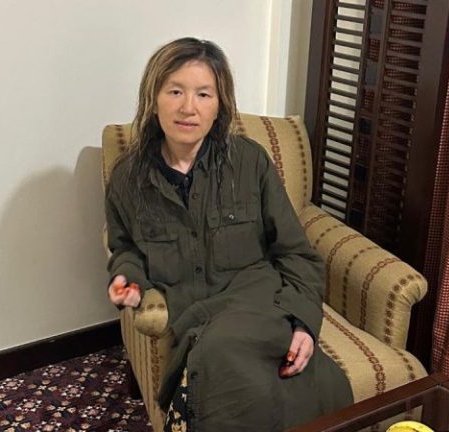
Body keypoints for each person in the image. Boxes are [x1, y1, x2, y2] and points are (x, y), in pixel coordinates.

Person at [104, 37, 353, 431]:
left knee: (314, 390)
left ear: (219, 105)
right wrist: (127, 279)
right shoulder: (127, 178)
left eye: (203, 94)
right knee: (224, 374)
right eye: (175, 91)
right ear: (153, 99)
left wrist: (304, 324)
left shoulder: (250, 162)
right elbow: (125, 248)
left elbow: (297, 254)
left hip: (259, 307)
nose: (188, 107)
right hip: (196, 317)